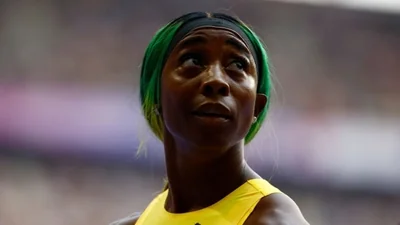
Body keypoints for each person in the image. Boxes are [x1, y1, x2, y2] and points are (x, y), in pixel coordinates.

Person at [112, 12, 309, 225]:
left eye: (237, 66)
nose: (216, 80)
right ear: (156, 94)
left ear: (257, 108)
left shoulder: (274, 220)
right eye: (192, 60)